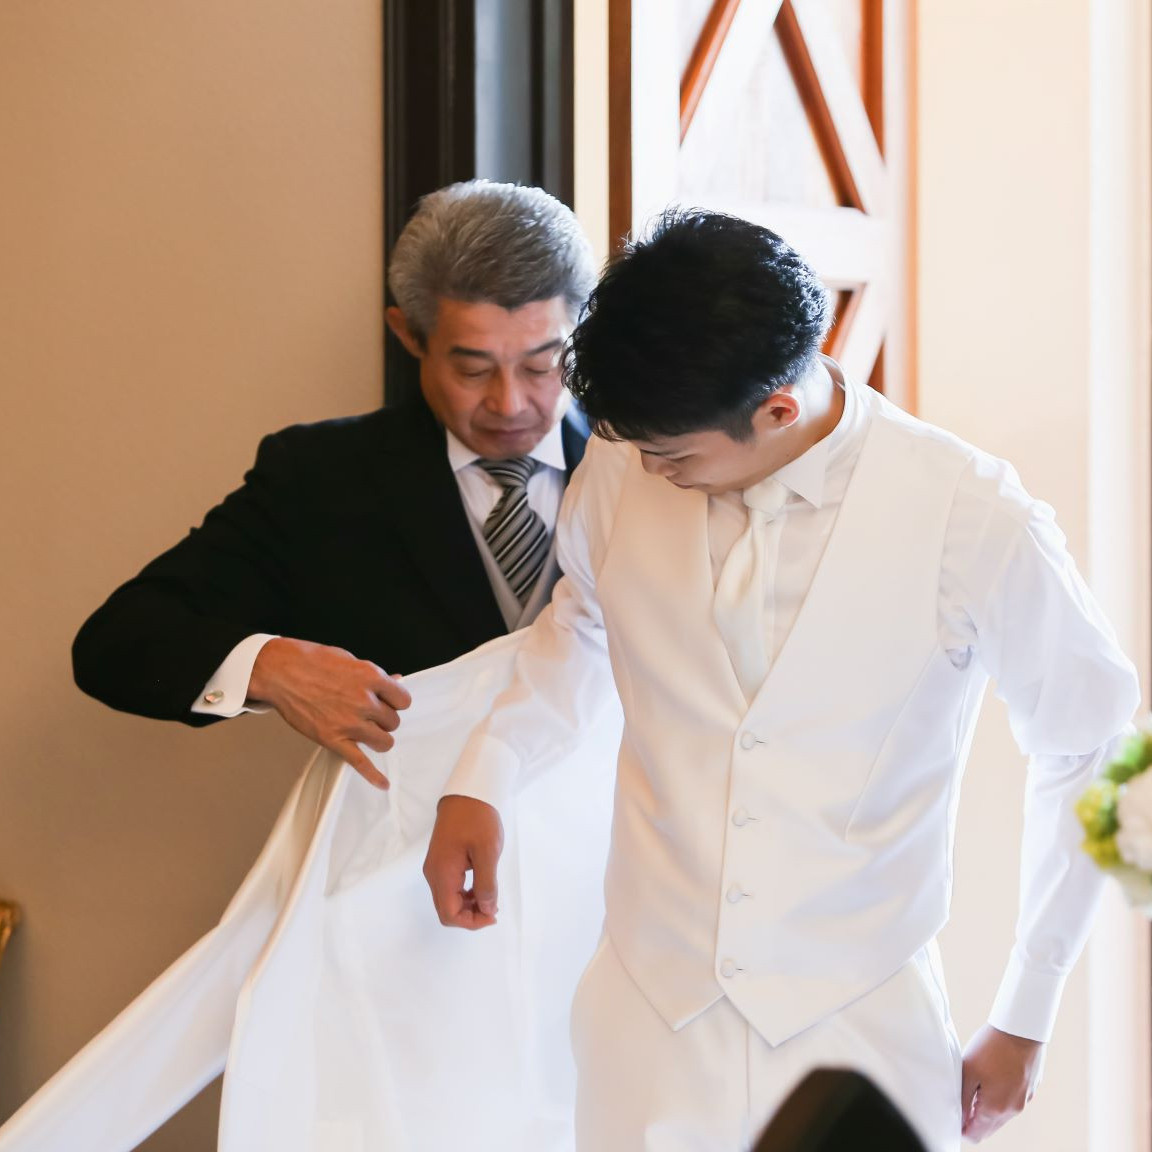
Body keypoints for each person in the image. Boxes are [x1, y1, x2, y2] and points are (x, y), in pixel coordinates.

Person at [422, 209, 1140, 1150]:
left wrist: (1028, 1007)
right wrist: (487, 772)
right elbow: (584, 630)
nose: (648, 470)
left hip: (860, 1019)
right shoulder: (623, 460)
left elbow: (1093, 745)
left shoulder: (970, 513)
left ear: (777, 411)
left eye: (674, 456)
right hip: (645, 1014)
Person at [72, 180, 597, 787]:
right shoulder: (318, 479)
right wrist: (271, 666)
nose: (510, 403)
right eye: (473, 369)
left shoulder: (651, 467)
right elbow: (116, 643)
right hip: (401, 833)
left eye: (540, 365)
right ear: (408, 334)